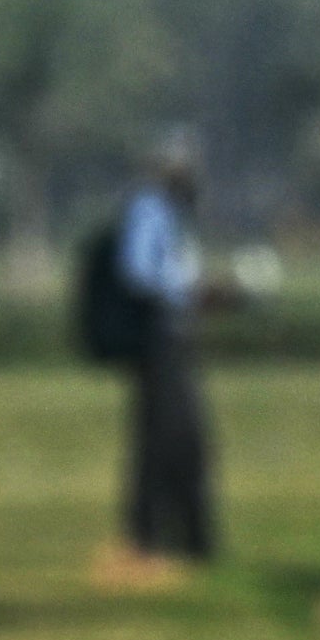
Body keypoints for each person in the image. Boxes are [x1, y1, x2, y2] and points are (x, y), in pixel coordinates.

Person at [114, 141, 219, 561]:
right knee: (171, 435)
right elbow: (139, 271)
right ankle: (160, 533)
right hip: (160, 336)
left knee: (171, 436)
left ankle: (172, 533)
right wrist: (183, 292)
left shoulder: (167, 213)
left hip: (173, 334)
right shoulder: (150, 210)